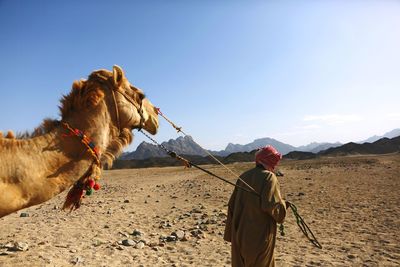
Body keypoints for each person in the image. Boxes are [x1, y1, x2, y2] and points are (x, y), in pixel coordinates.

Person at [224, 145, 289, 267]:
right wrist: (284, 205)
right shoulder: (269, 177)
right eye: (274, 160)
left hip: (240, 236)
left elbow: (231, 206)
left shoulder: (243, 176)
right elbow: (273, 208)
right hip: (259, 238)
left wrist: (230, 235)